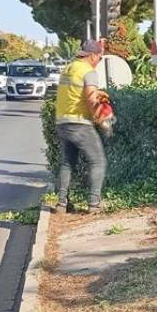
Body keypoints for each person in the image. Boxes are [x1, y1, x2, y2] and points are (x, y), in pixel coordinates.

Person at [54, 39, 108, 214]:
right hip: (80, 123)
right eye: (100, 57)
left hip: (63, 122)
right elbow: (91, 99)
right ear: (92, 56)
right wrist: (102, 120)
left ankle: (61, 203)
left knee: (67, 163)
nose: (99, 61)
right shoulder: (88, 71)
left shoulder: (69, 68)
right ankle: (94, 204)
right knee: (98, 161)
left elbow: (71, 94)